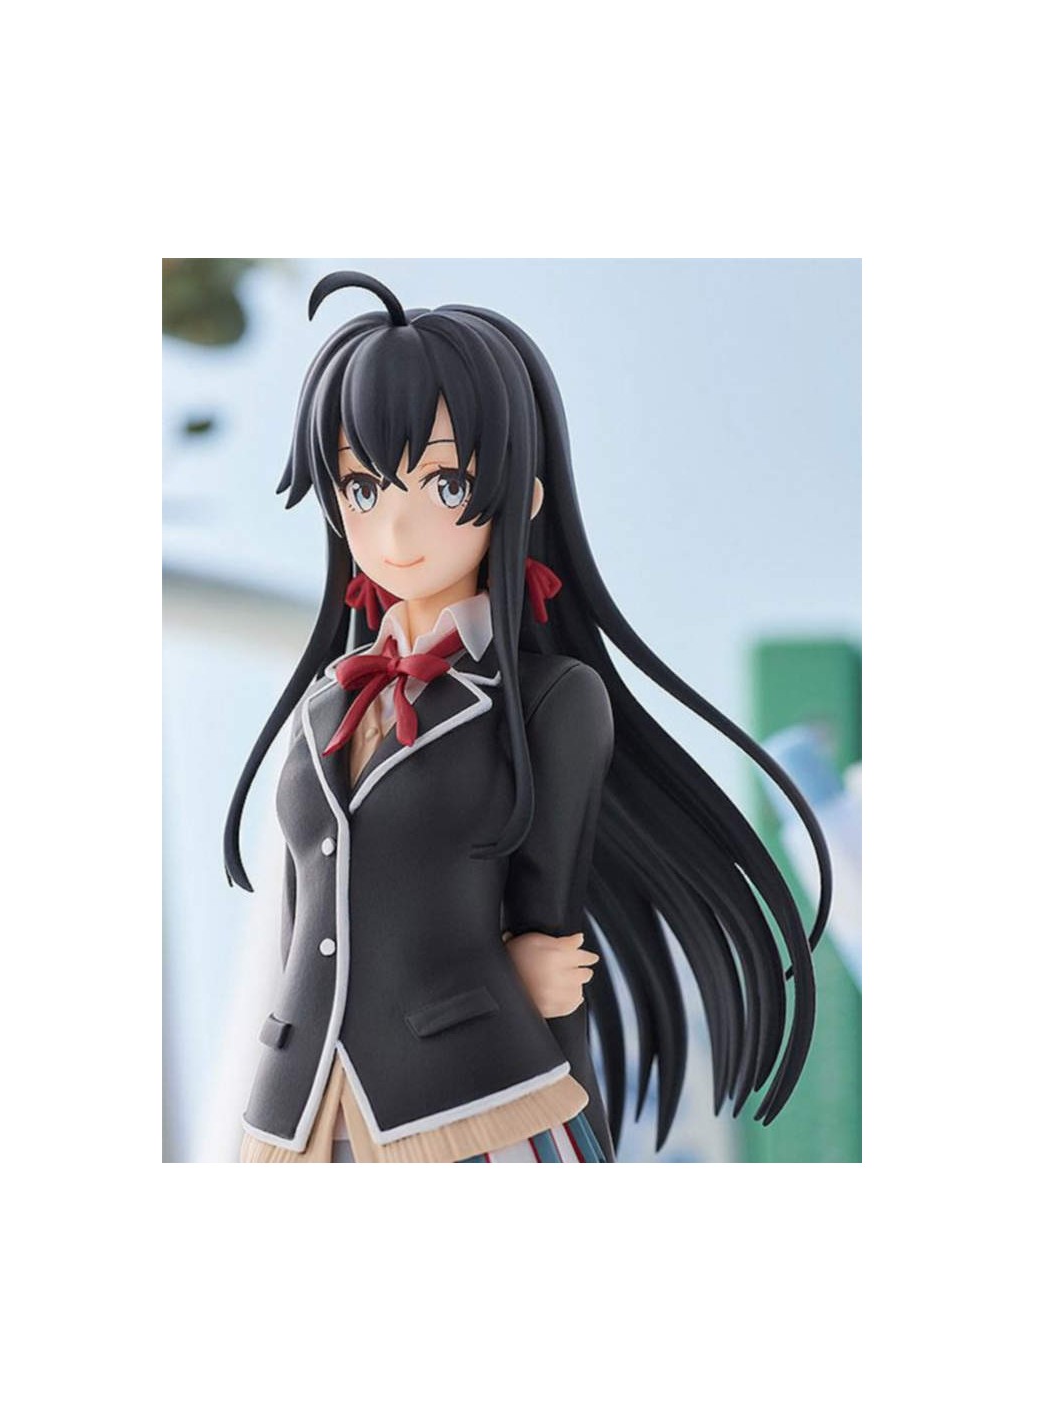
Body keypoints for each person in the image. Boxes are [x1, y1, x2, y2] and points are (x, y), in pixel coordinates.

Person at [225, 271, 831, 1163]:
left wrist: (528, 972)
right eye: (361, 488)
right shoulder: (324, 704)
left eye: (443, 483)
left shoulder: (548, 698)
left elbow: (548, 912)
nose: (396, 529)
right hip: (298, 1101)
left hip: (469, 1093)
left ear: (520, 495)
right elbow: (303, 908)